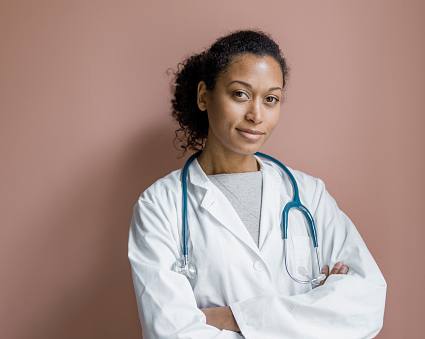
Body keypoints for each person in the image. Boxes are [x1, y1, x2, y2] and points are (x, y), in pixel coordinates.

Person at [128, 30, 386, 338]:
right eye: (240, 94)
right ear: (203, 96)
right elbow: (171, 332)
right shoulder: (159, 206)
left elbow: (365, 306)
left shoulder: (309, 195)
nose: (256, 115)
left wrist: (233, 317)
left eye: (271, 99)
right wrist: (314, 310)